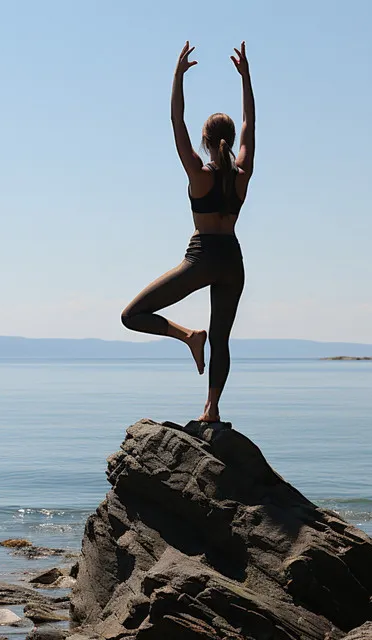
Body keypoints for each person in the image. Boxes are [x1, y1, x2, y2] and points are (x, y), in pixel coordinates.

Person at [121, 40, 256, 422]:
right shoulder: (242, 174)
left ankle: (187, 336)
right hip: (233, 258)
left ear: (206, 141)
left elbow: (176, 121)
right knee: (223, 339)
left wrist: (177, 77)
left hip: (202, 258)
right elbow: (249, 123)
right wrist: (246, 79)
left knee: (132, 315)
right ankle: (211, 409)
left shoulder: (198, 173)